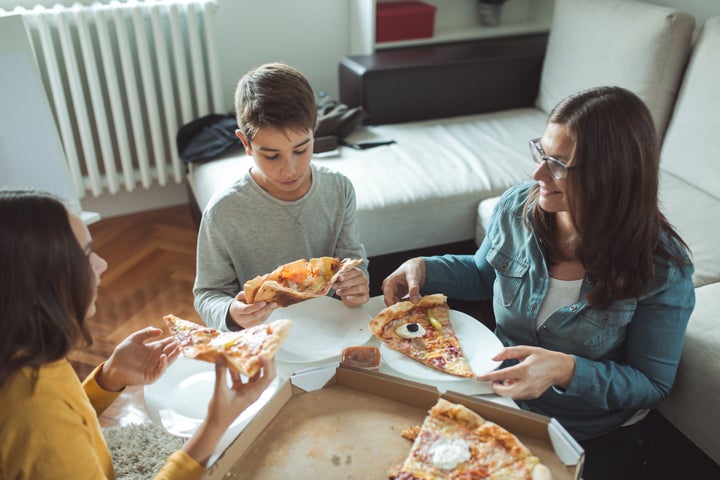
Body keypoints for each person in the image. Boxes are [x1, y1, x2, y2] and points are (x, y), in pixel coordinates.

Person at [381, 86, 695, 480]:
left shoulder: (663, 268)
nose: (538, 173)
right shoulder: (517, 207)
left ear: (611, 175)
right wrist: (424, 267)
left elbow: (651, 385)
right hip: (496, 399)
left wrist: (567, 370)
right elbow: (483, 274)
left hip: (587, 432)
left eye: (559, 165)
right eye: (541, 153)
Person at [0, 189, 277, 480]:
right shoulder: (34, 415)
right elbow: (50, 427)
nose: (101, 264)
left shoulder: (27, 351)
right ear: (40, 280)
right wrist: (215, 426)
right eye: (85, 255)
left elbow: (67, 421)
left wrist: (109, 377)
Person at [194, 62, 370, 331]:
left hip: (330, 328)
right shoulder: (223, 211)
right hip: (262, 337)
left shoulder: (339, 189)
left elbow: (352, 261)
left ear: (314, 131)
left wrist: (357, 282)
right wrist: (231, 312)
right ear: (245, 144)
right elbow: (207, 294)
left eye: (301, 150)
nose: (290, 169)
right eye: (271, 155)